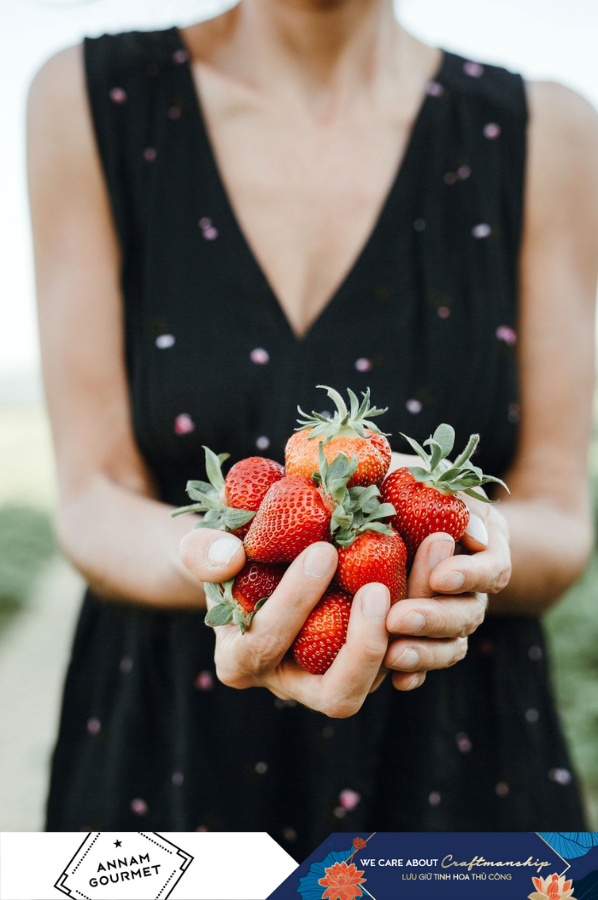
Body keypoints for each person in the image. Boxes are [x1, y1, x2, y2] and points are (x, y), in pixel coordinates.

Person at [28, 0, 597, 857]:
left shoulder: (544, 130)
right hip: (167, 756)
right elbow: (90, 494)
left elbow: (559, 511)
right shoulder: (90, 98)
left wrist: (472, 544)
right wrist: (222, 566)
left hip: (459, 766)